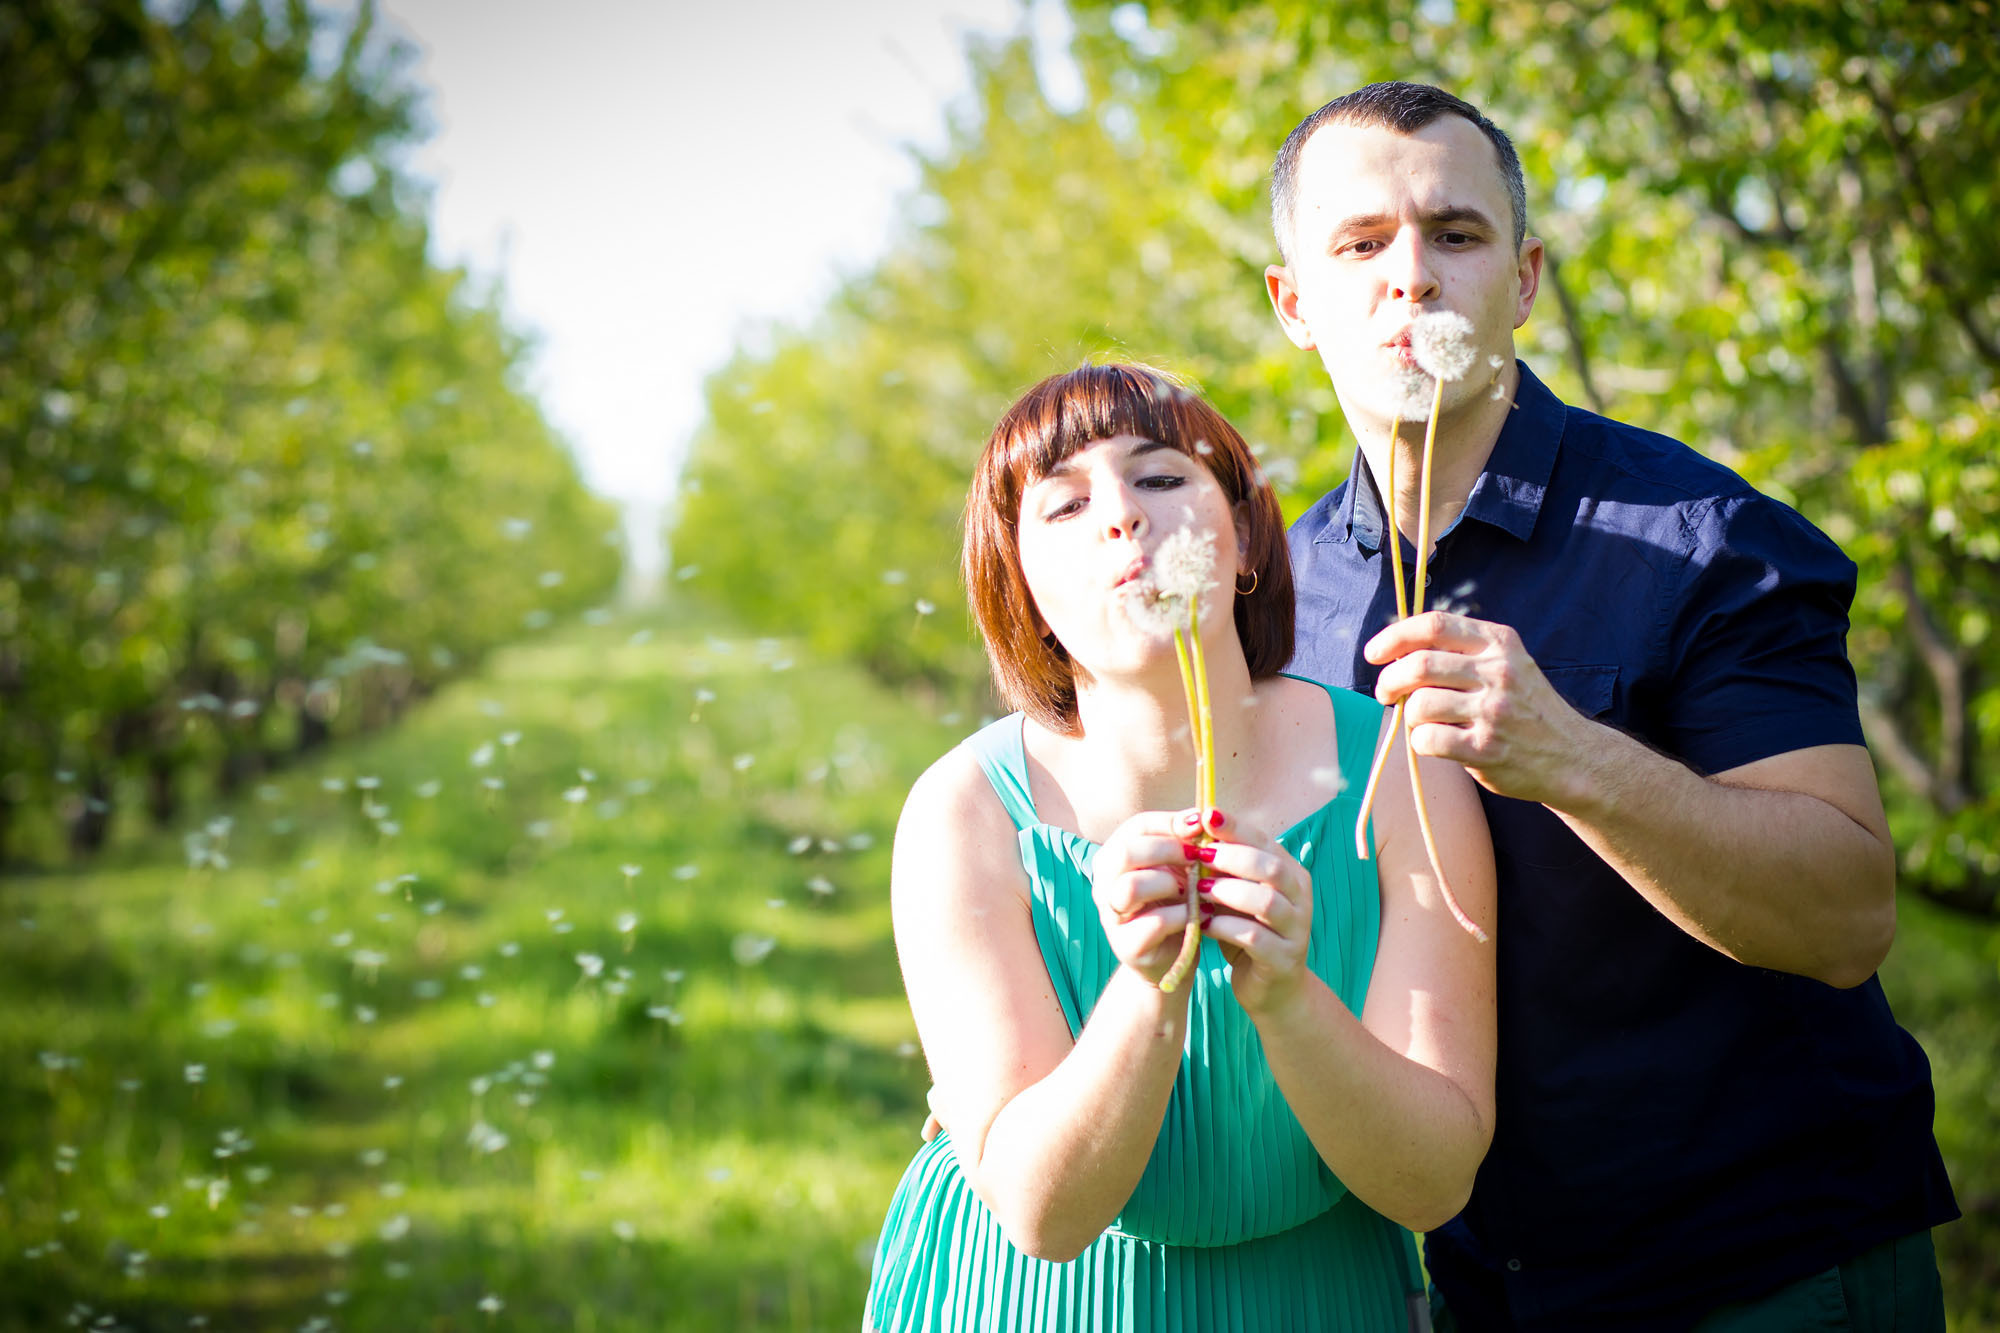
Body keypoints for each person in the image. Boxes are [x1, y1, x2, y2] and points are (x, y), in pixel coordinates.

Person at [1263, 82, 1958, 1331]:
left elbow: (1845, 916)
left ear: (1523, 278)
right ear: (1292, 304)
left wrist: (1571, 759)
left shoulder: (1704, 538)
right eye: (1358, 244)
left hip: (1759, 1274)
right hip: (1467, 1285)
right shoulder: (1278, 595)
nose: (1408, 276)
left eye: (1454, 234)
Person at [863, 364, 1496, 1332]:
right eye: (1064, 505)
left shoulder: (1398, 771)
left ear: (1243, 535)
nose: (1122, 515)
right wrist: (1145, 988)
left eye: (1160, 477)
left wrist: (1288, 999)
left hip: (1318, 1299)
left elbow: (1434, 1181)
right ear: (1020, 586)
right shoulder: (964, 813)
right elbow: (1042, 1212)